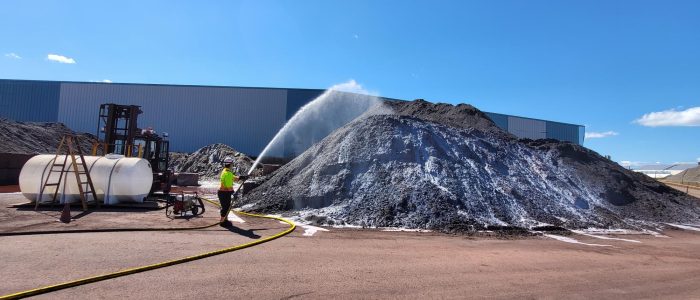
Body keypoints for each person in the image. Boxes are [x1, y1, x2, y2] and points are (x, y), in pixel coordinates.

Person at [218, 157, 238, 225]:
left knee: (226, 206)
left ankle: (225, 220)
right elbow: (228, 187)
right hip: (224, 193)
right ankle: (222, 222)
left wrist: (241, 177)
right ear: (230, 164)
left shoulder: (225, 171)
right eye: (232, 164)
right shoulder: (228, 174)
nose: (232, 165)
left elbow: (234, 177)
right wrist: (233, 192)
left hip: (223, 193)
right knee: (225, 208)